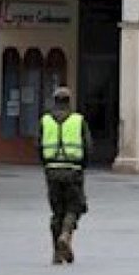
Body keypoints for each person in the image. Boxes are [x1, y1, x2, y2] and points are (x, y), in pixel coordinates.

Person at [38, 87, 92, 265]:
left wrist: (46, 166)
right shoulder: (78, 120)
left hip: (52, 171)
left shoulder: (45, 121)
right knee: (74, 207)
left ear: (54, 101)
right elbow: (87, 147)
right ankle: (66, 234)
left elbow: (38, 146)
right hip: (73, 171)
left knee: (57, 212)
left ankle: (57, 253)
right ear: (69, 101)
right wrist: (82, 166)